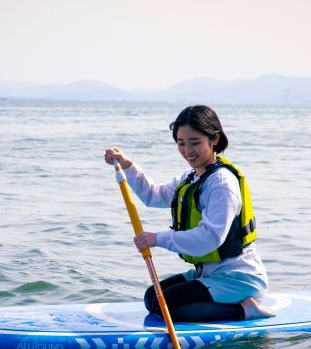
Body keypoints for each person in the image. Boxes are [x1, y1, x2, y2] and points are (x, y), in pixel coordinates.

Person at [104, 105, 275, 322]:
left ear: (214, 139)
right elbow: (153, 195)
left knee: (161, 304)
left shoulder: (222, 183)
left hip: (237, 278)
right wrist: (127, 165)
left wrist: (157, 239)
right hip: (209, 272)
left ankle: (244, 310)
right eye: (181, 143)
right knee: (152, 297)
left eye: (195, 143)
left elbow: (209, 239)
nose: (187, 151)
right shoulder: (192, 176)